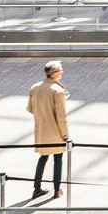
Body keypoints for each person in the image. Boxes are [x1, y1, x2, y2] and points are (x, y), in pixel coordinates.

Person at [28, 64, 72, 199]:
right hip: (55, 131)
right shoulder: (57, 91)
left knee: (43, 157)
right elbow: (61, 116)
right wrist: (65, 135)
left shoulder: (35, 87)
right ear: (53, 74)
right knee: (58, 159)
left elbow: (30, 108)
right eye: (60, 71)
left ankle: (37, 188)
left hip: (41, 130)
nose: (62, 73)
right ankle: (57, 189)